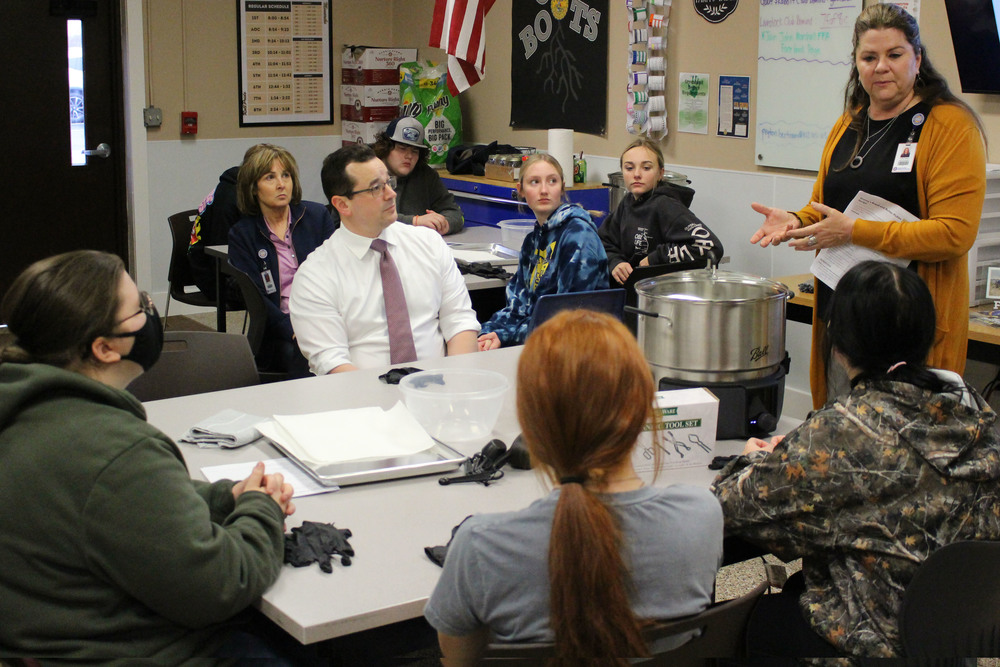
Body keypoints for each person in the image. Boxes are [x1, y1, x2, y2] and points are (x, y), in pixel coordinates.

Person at [0, 250, 295, 661]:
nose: (152, 313)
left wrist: (225, 499)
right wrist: (262, 509)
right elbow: (222, 585)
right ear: (105, 348)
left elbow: (121, 504)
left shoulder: (27, 411)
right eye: (140, 307)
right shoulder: (115, 448)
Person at [712, 261, 1000, 659]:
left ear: (839, 340)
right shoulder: (974, 412)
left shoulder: (842, 431)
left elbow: (727, 507)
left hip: (864, 643)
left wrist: (750, 460)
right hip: (952, 638)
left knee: (747, 620)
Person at [425, 310, 723, 665]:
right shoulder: (701, 515)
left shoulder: (480, 547)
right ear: (645, 410)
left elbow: (459, 659)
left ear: (529, 429)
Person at [748, 3, 987, 409]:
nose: (881, 67)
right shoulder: (850, 122)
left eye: (894, 55)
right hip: (843, 324)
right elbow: (826, 207)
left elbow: (954, 233)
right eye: (869, 57)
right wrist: (796, 220)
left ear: (918, 59)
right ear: (856, 63)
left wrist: (854, 232)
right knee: (841, 438)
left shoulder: (948, 125)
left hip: (910, 330)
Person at [289, 143, 479, 374]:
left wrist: (456, 384)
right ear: (342, 204)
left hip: (439, 390)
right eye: (375, 188)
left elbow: (460, 322)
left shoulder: (429, 243)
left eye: (389, 182)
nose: (391, 194)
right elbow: (330, 361)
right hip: (362, 399)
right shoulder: (316, 275)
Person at [477, 155, 609, 350]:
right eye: (534, 182)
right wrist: (487, 332)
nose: (544, 190)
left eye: (552, 181)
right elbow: (517, 306)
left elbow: (569, 317)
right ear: (520, 190)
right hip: (537, 341)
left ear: (562, 187)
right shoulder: (533, 240)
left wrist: (506, 336)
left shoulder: (578, 235)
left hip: (577, 348)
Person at [228, 143, 337, 374]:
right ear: (253, 188)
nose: (281, 184)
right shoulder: (242, 234)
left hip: (324, 314)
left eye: (285, 175)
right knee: (302, 357)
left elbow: (337, 272)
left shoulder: (317, 217)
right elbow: (257, 299)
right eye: (270, 177)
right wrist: (293, 328)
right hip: (281, 327)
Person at [599, 138, 724, 286]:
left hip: (661, 295)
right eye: (629, 168)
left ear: (660, 173)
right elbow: (602, 241)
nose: (637, 174)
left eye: (646, 168)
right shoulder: (627, 202)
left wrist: (657, 258)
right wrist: (615, 262)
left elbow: (711, 247)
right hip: (630, 292)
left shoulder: (666, 205)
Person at [372, 115, 464, 235]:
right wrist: (415, 221)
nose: (409, 156)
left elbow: (455, 213)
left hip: (418, 247)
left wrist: (444, 223)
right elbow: (370, 217)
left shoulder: (426, 175)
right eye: (402, 148)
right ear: (386, 148)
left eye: (415, 151)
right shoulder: (368, 173)